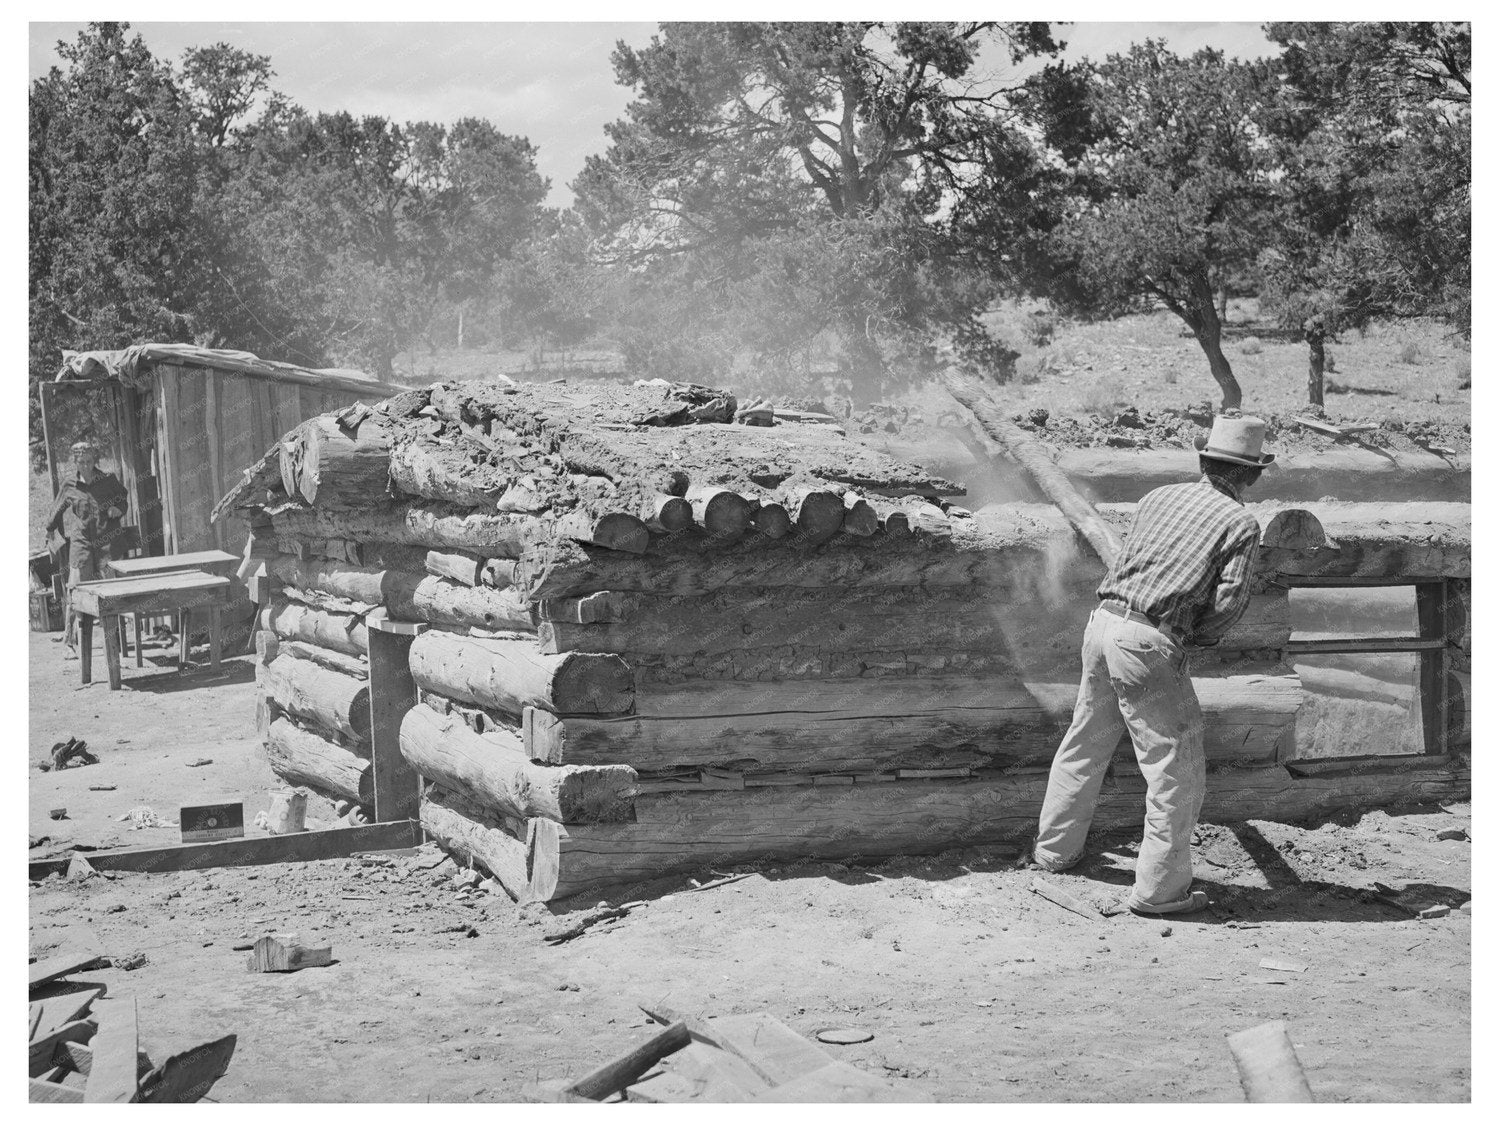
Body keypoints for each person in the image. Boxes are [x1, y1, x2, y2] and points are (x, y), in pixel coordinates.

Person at [1031, 415, 1274, 916]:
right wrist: (1192, 638)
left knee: (1084, 743)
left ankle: (1054, 852)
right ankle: (1160, 892)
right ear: (1251, 475)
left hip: (1102, 624)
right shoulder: (1241, 523)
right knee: (1175, 770)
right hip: (1148, 640)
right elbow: (1229, 602)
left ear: (1204, 460)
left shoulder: (1157, 498)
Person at [46, 439, 128, 655]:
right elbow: (56, 510)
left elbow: (123, 499)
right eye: (80, 461)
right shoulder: (69, 484)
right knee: (75, 592)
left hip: (106, 545)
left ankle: (116, 639)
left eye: (88, 461)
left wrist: (118, 509)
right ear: (75, 461)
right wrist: (50, 528)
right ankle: (71, 641)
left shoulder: (108, 481)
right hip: (81, 544)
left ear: (95, 460)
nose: (84, 465)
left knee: (111, 593)